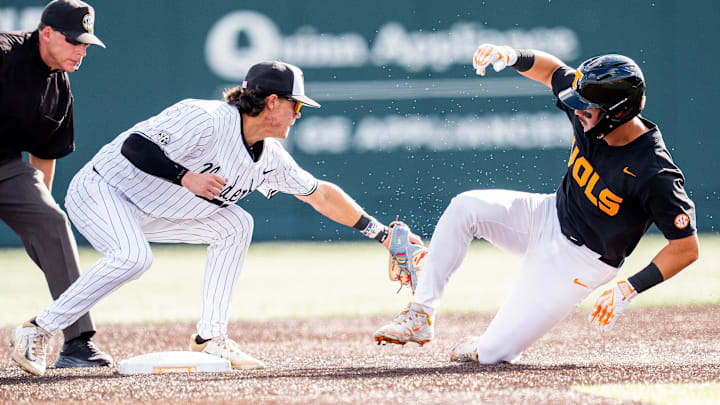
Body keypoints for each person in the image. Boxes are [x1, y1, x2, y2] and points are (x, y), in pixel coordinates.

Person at [10, 60, 418, 376]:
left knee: (236, 224)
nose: (298, 114)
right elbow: (135, 145)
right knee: (134, 258)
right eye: (295, 105)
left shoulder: (271, 158)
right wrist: (184, 176)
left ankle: (210, 337)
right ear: (272, 102)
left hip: (153, 209)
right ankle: (37, 328)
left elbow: (320, 195)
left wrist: (381, 234)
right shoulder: (205, 118)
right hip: (103, 190)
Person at [373, 44, 699, 364]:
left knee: (490, 355)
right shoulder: (594, 111)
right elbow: (553, 71)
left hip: (580, 262)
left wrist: (630, 287)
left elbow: (686, 248)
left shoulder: (655, 171)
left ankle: (488, 343)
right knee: (465, 207)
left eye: (588, 107)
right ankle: (421, 312)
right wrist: (511, 55)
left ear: (618, 112)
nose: (578, 110)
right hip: (547, 214)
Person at [1, 0, 112, 369]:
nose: (80, 51)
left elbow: (43, 157)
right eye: (73, 41)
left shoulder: (60, 89)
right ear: (46, 33)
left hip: (5, 169)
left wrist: (37, 225)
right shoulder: (4, 53)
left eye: (85, 44)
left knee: (52, 222)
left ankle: (78, 342)